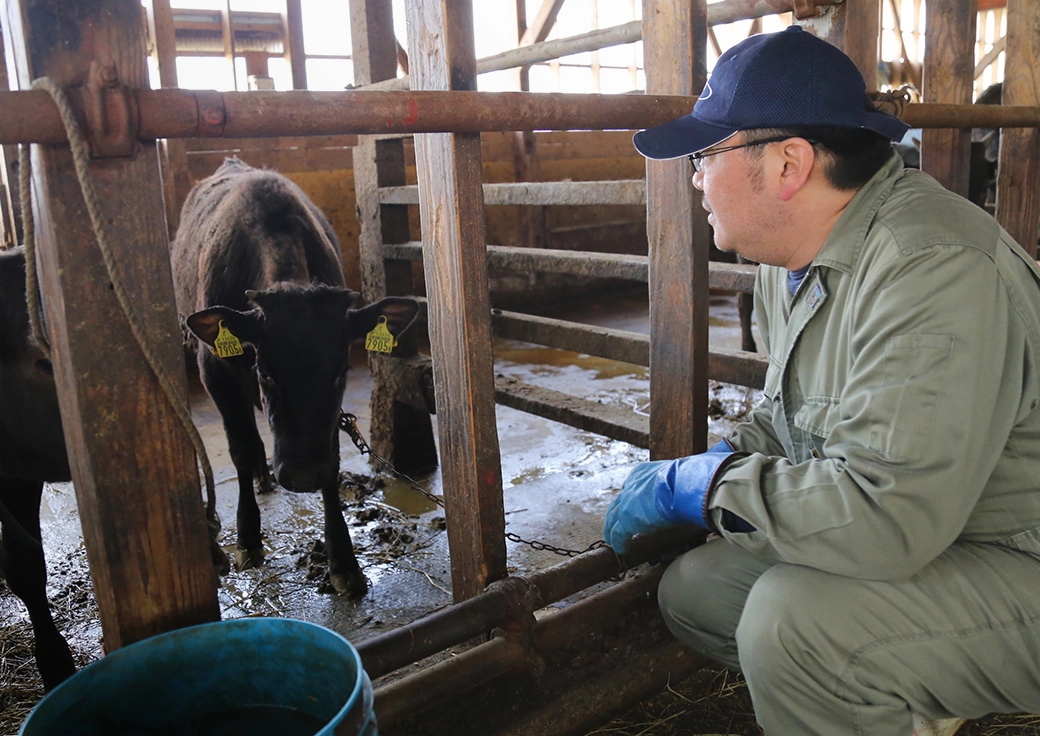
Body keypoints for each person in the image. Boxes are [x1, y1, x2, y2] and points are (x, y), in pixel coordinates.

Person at [604, 25, 1040, 736]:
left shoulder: (934, 269)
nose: (694, 178)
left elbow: (887, 518)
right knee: (698, 592)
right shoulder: (794, 262)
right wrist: (717, 462)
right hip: (944, 530)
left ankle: (896, 673)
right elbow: (790, 419)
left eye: (705, 155)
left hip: (1016, 551)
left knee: (792, 625)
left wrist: (709, 490)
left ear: (787, 165)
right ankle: (911, 688)